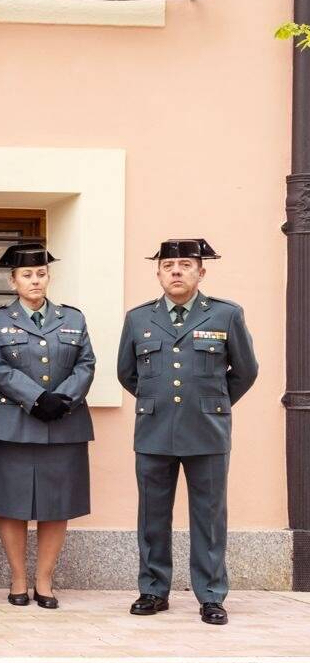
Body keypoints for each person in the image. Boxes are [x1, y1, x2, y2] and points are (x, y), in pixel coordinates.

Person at [116, 238, 258, 625]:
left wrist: (212, 402)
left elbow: (245, 371)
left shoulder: (226, 315)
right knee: (152, 516)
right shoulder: (139, 318)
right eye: (168, 266)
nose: (175, 271)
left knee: (210, 517)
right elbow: (127, 373)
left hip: (207, 431)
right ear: (158, 273)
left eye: (184, 265)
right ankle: (152, 590)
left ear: (201, 272)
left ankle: (211, 595)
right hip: (154, 431)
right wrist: (157, 400)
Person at [0, 243, 94, 609]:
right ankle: (17, 578)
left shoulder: (73, 318)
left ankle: (44, 580)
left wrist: (62, 398)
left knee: (55, 505)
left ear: (49, 277)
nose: (35, 280)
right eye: (27, 275)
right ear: (13, 281)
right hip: (12, 424)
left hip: (64, 423)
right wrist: (35, 398)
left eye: (41, 274)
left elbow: (86, 364)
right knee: (11, 503)